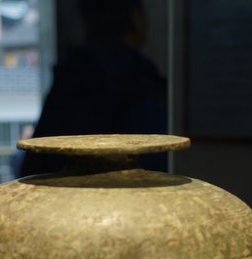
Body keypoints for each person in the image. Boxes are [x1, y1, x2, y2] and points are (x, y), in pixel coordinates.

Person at [20, 0, 167, 177]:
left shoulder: (72, 74)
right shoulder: (139, 77)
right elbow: (154, 156)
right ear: (135, 17)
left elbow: (36, 163)